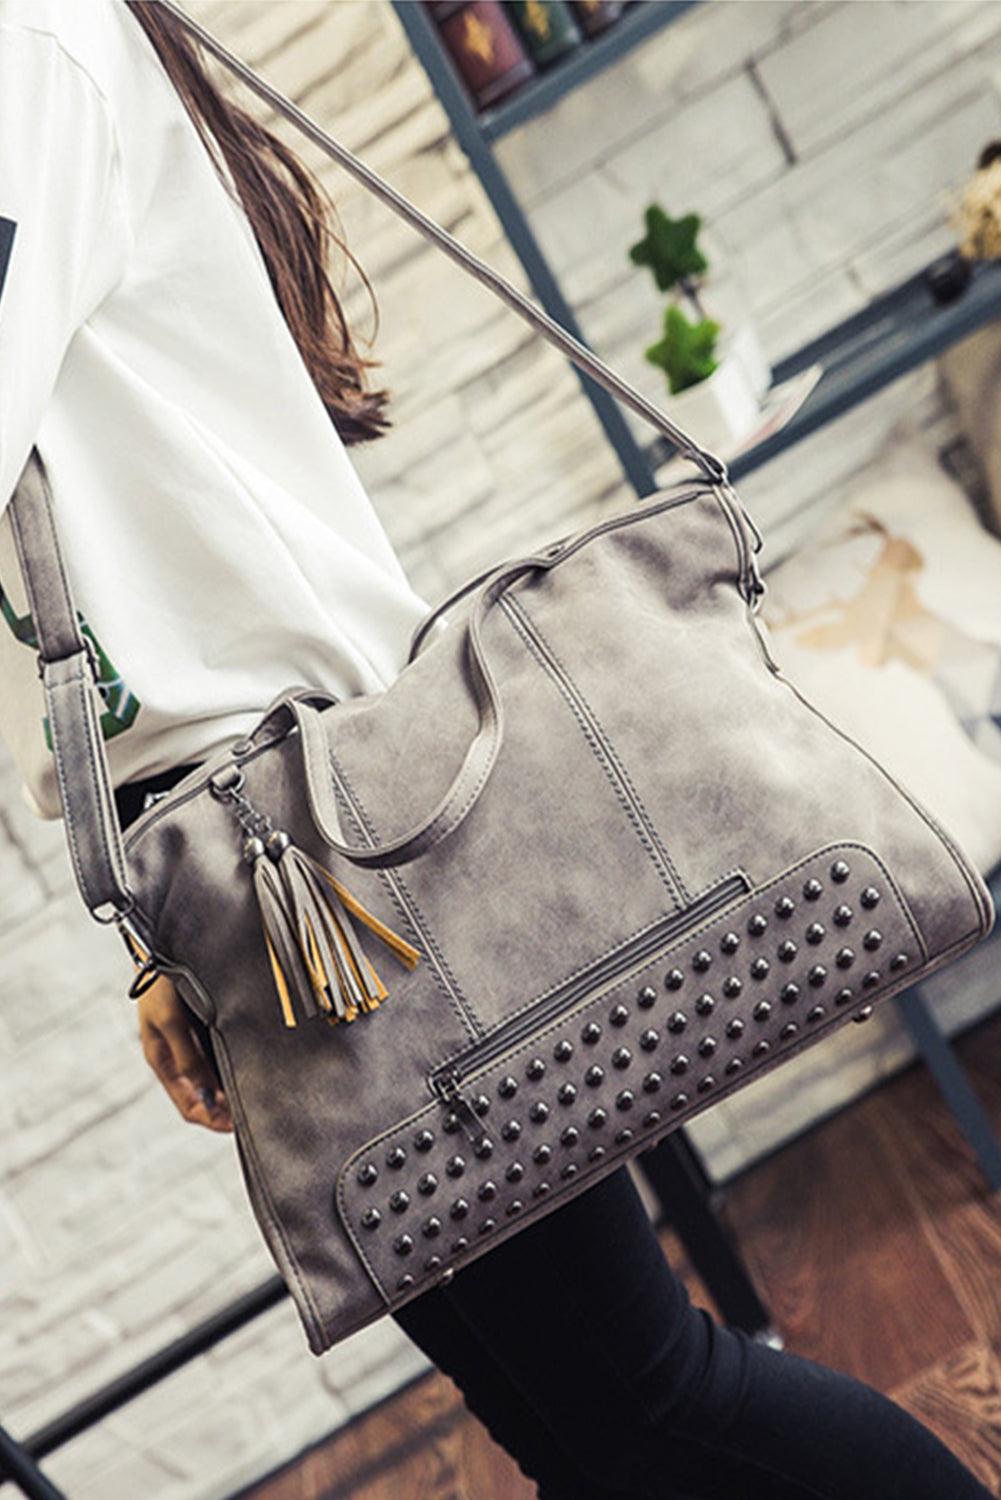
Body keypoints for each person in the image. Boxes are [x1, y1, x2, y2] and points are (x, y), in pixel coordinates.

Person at [0, 4, 992, 1498]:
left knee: (648, 1395)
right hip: (236, 859)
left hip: (326, 844)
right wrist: (161, 948)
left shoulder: (30, 48)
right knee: (577, 1425)